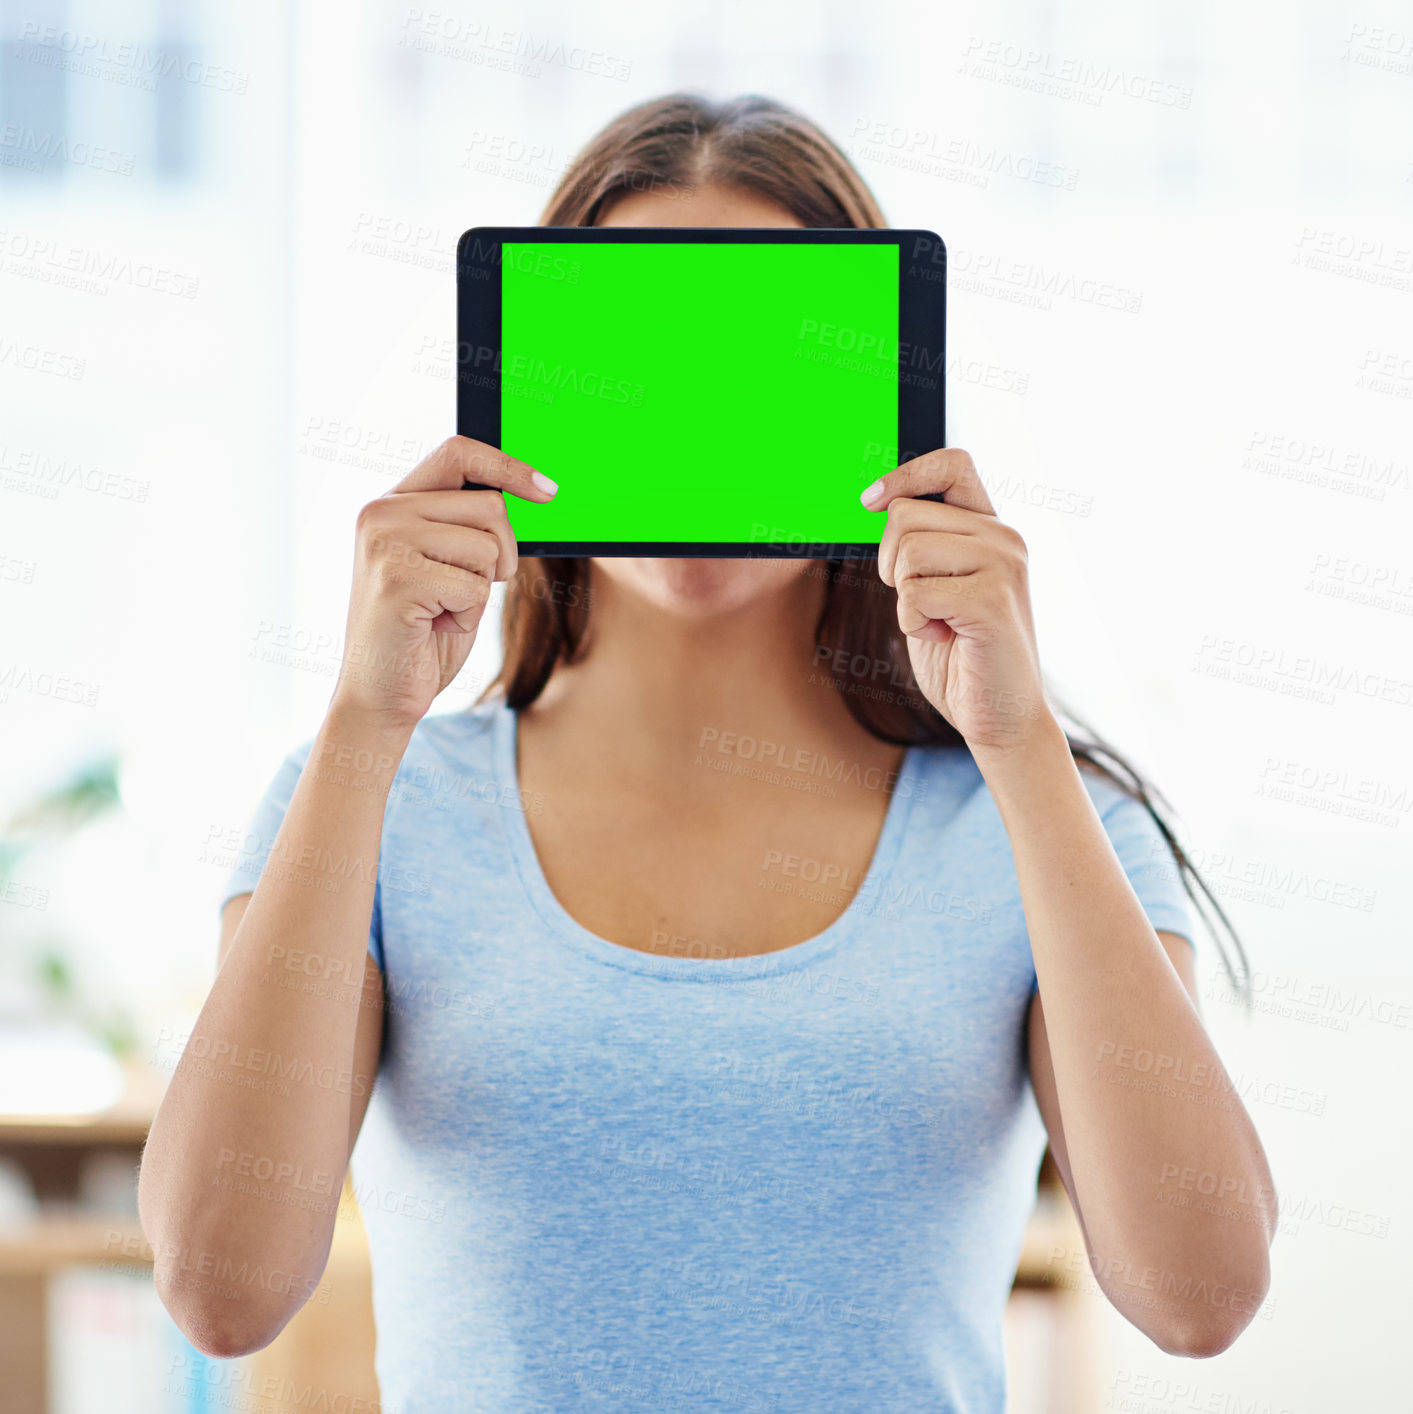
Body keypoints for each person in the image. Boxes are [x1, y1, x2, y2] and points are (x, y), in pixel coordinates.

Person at [138, 93, 1277, 1412]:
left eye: (758, 365)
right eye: (635, 363)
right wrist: (361, 722)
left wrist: (1015, 741)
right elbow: (219, 1286)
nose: (694, 419)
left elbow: (1200, 1293)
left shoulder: (1031, 818)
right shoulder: (371, 803)